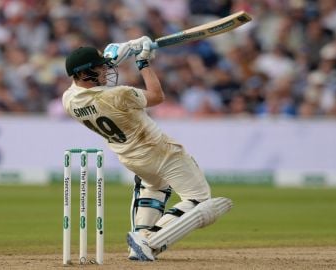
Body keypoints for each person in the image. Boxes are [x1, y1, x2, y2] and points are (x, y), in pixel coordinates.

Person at [61, 36, 232, 261]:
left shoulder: (68, 100)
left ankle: (139, 241)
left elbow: (89, 85)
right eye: (101, 67)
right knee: (199, 200)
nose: (106, 71)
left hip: (131, 158)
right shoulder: (117, 95)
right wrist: (143, 64)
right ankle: (151, 239)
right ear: (85, 74)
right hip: (161, 151)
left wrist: (113, 56)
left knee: (156, 187)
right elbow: (157, 96)